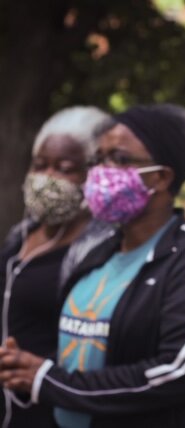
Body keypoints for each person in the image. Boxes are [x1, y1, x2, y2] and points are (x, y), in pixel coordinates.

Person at [0, 104, 185, 428]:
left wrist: (51, 380)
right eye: (98, 159)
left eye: (120, 159)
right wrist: (26, 370)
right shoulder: (98, 254)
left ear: (162, 176)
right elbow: (81, 357)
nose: (102, 171)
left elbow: (179, 371)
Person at [0, 106, 112, 428]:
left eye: (65, 168)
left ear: (92, 174)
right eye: (40, 166)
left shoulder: (100, 247)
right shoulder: (20, 234)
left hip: (53, 409)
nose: (48, 178)